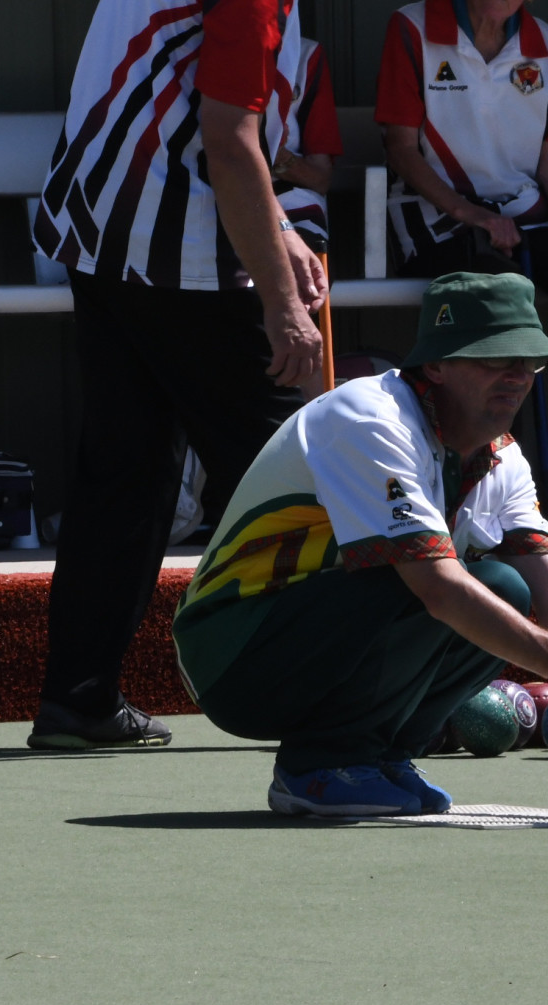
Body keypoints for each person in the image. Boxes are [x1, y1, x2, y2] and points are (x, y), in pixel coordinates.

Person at [172, 273, 548, 818]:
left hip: (303, 643)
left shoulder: (503, 456)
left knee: (504, 586)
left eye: (529, 362)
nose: (516, 376)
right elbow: (437, 590)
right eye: (493, 358)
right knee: (416, 575)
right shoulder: (369, 420)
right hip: (233, 652)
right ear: (434, 366)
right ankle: (319, 767)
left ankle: (382, 756)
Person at [26, 0, 328, 749]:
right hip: (179, 252)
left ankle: (79, 697)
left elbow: (189, 110)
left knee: (125, 473)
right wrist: (284, 306)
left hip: (99, 238)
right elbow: (227, 144)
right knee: (298, 475)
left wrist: (280, 227)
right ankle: (337, 698)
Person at [375, 0, 548, 533]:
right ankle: (479, 475)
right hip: (437, 216)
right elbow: (402, 149)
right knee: (492, 303)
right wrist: (468, 211)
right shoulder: (413, 28)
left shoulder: (544, 41)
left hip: (523, 214)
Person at [273, 38, 344, 402]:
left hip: (287, 189)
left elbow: (320, 178)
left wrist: (272, 157)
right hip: (202, 187)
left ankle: (312, 415)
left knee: (303, 257)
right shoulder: (186, 39)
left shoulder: (304, 53)